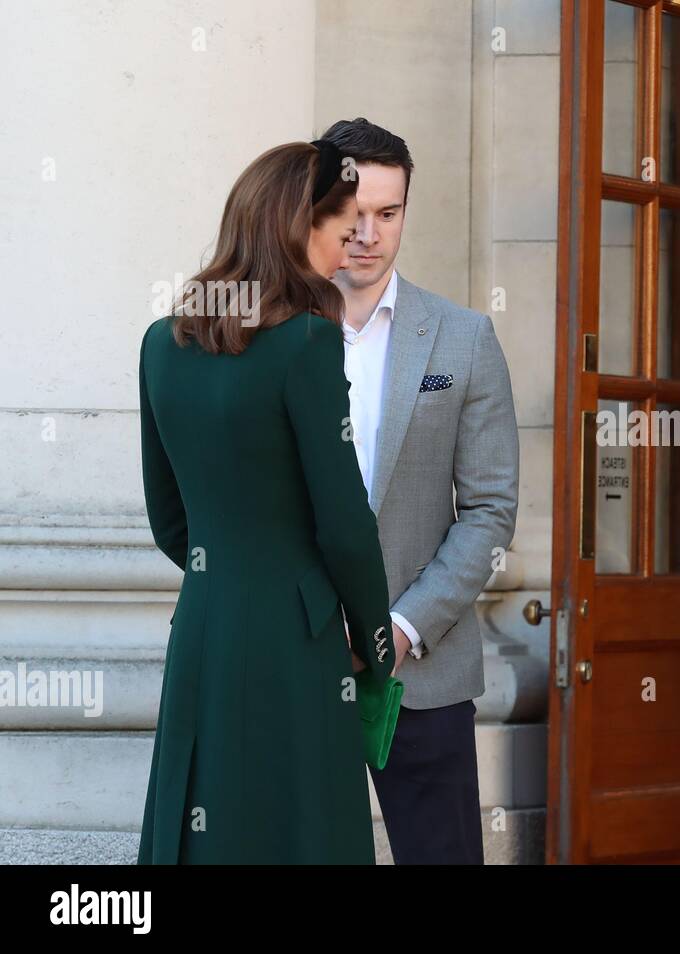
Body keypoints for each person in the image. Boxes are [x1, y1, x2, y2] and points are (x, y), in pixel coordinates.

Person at [137, 140, 395, 864]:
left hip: (205, 626)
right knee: (300, 832)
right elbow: (345, 526)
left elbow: (169, 519)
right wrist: (376, 646)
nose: (348, 253)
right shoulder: (308, 343)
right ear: (295, 226)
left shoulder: (161, 343)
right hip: (297, 636)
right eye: (340, 233)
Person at [321, 118, 520, 865]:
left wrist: (401, 628)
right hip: (302, 663)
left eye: (389, 212)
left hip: (424, 669)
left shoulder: (462, 338)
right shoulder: (275, 333)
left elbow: (491, 509)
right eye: (352, 210)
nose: (368, 232)